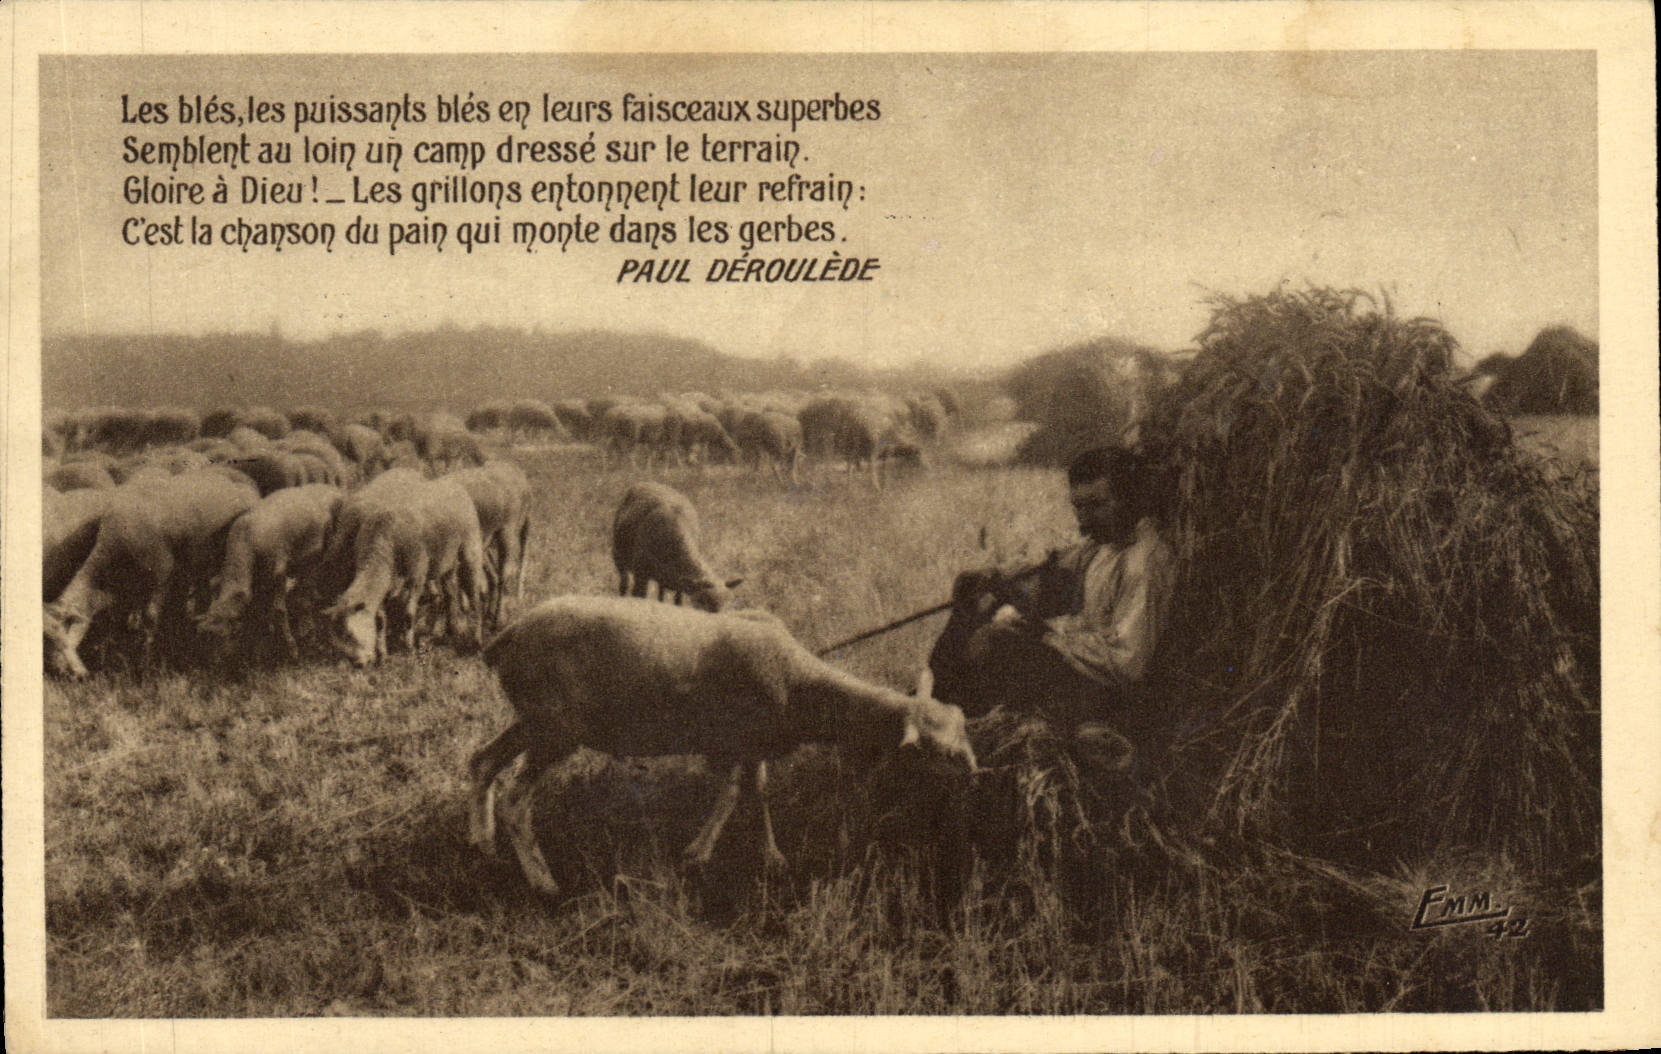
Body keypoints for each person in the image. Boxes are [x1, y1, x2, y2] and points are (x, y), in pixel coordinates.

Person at [927, 446, 1176, 754]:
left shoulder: (1144, 564)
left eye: (1096, 506)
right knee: (980, 602)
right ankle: (931, 702)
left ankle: (950, 719)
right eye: (1078, 508)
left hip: (1104, 690)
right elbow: (1054, 559)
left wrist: (1045, 636)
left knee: (994, 643)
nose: (1083, 520)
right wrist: (994, 576)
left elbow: (1128, 665)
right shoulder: (1105, 542)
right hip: (1079, 659)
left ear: (1131, 499)